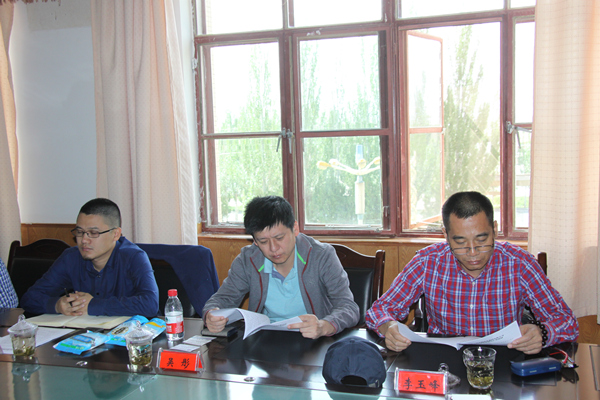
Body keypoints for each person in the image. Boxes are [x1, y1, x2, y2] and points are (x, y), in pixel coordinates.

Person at [366, 191, 578, 355]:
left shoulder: (519, 264)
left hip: (504, 360)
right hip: (445, 361)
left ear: (494, 229)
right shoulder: (427, 262)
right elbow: (379, 310)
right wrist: (388, 326)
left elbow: (567, 321)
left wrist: (542, 333)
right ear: (446, 235)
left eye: (481, 240)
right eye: (460, 242)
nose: (473, 252)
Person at [202, 196, 359, 339]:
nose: (273, 248)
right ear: (254, 241)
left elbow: (348, 307)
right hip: (266, 339)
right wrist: (211, 315)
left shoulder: (321, 256)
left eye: (279, 238)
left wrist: (323, 326)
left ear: (295, 228)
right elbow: (223, 299)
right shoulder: (248, 260)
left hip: (313, 339)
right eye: (263, 241)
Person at [21, 198, 159, 317]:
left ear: (115, 234)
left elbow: (150, 304)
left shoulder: (134, 257)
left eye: (93, 233)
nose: (84, 240)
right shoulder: (71, 258)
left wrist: (93, 305)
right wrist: (57, 305)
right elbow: (29, 298)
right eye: (79, 232)